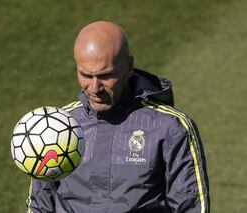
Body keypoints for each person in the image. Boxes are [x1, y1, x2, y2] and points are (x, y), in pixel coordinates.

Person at [25, 21, 210, 213]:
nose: (95, 88)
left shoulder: (171, 128)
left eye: (105, 76)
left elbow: (191, 208)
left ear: (129, 66)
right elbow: (40, 206)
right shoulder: (58, 127)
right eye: (86, 75)